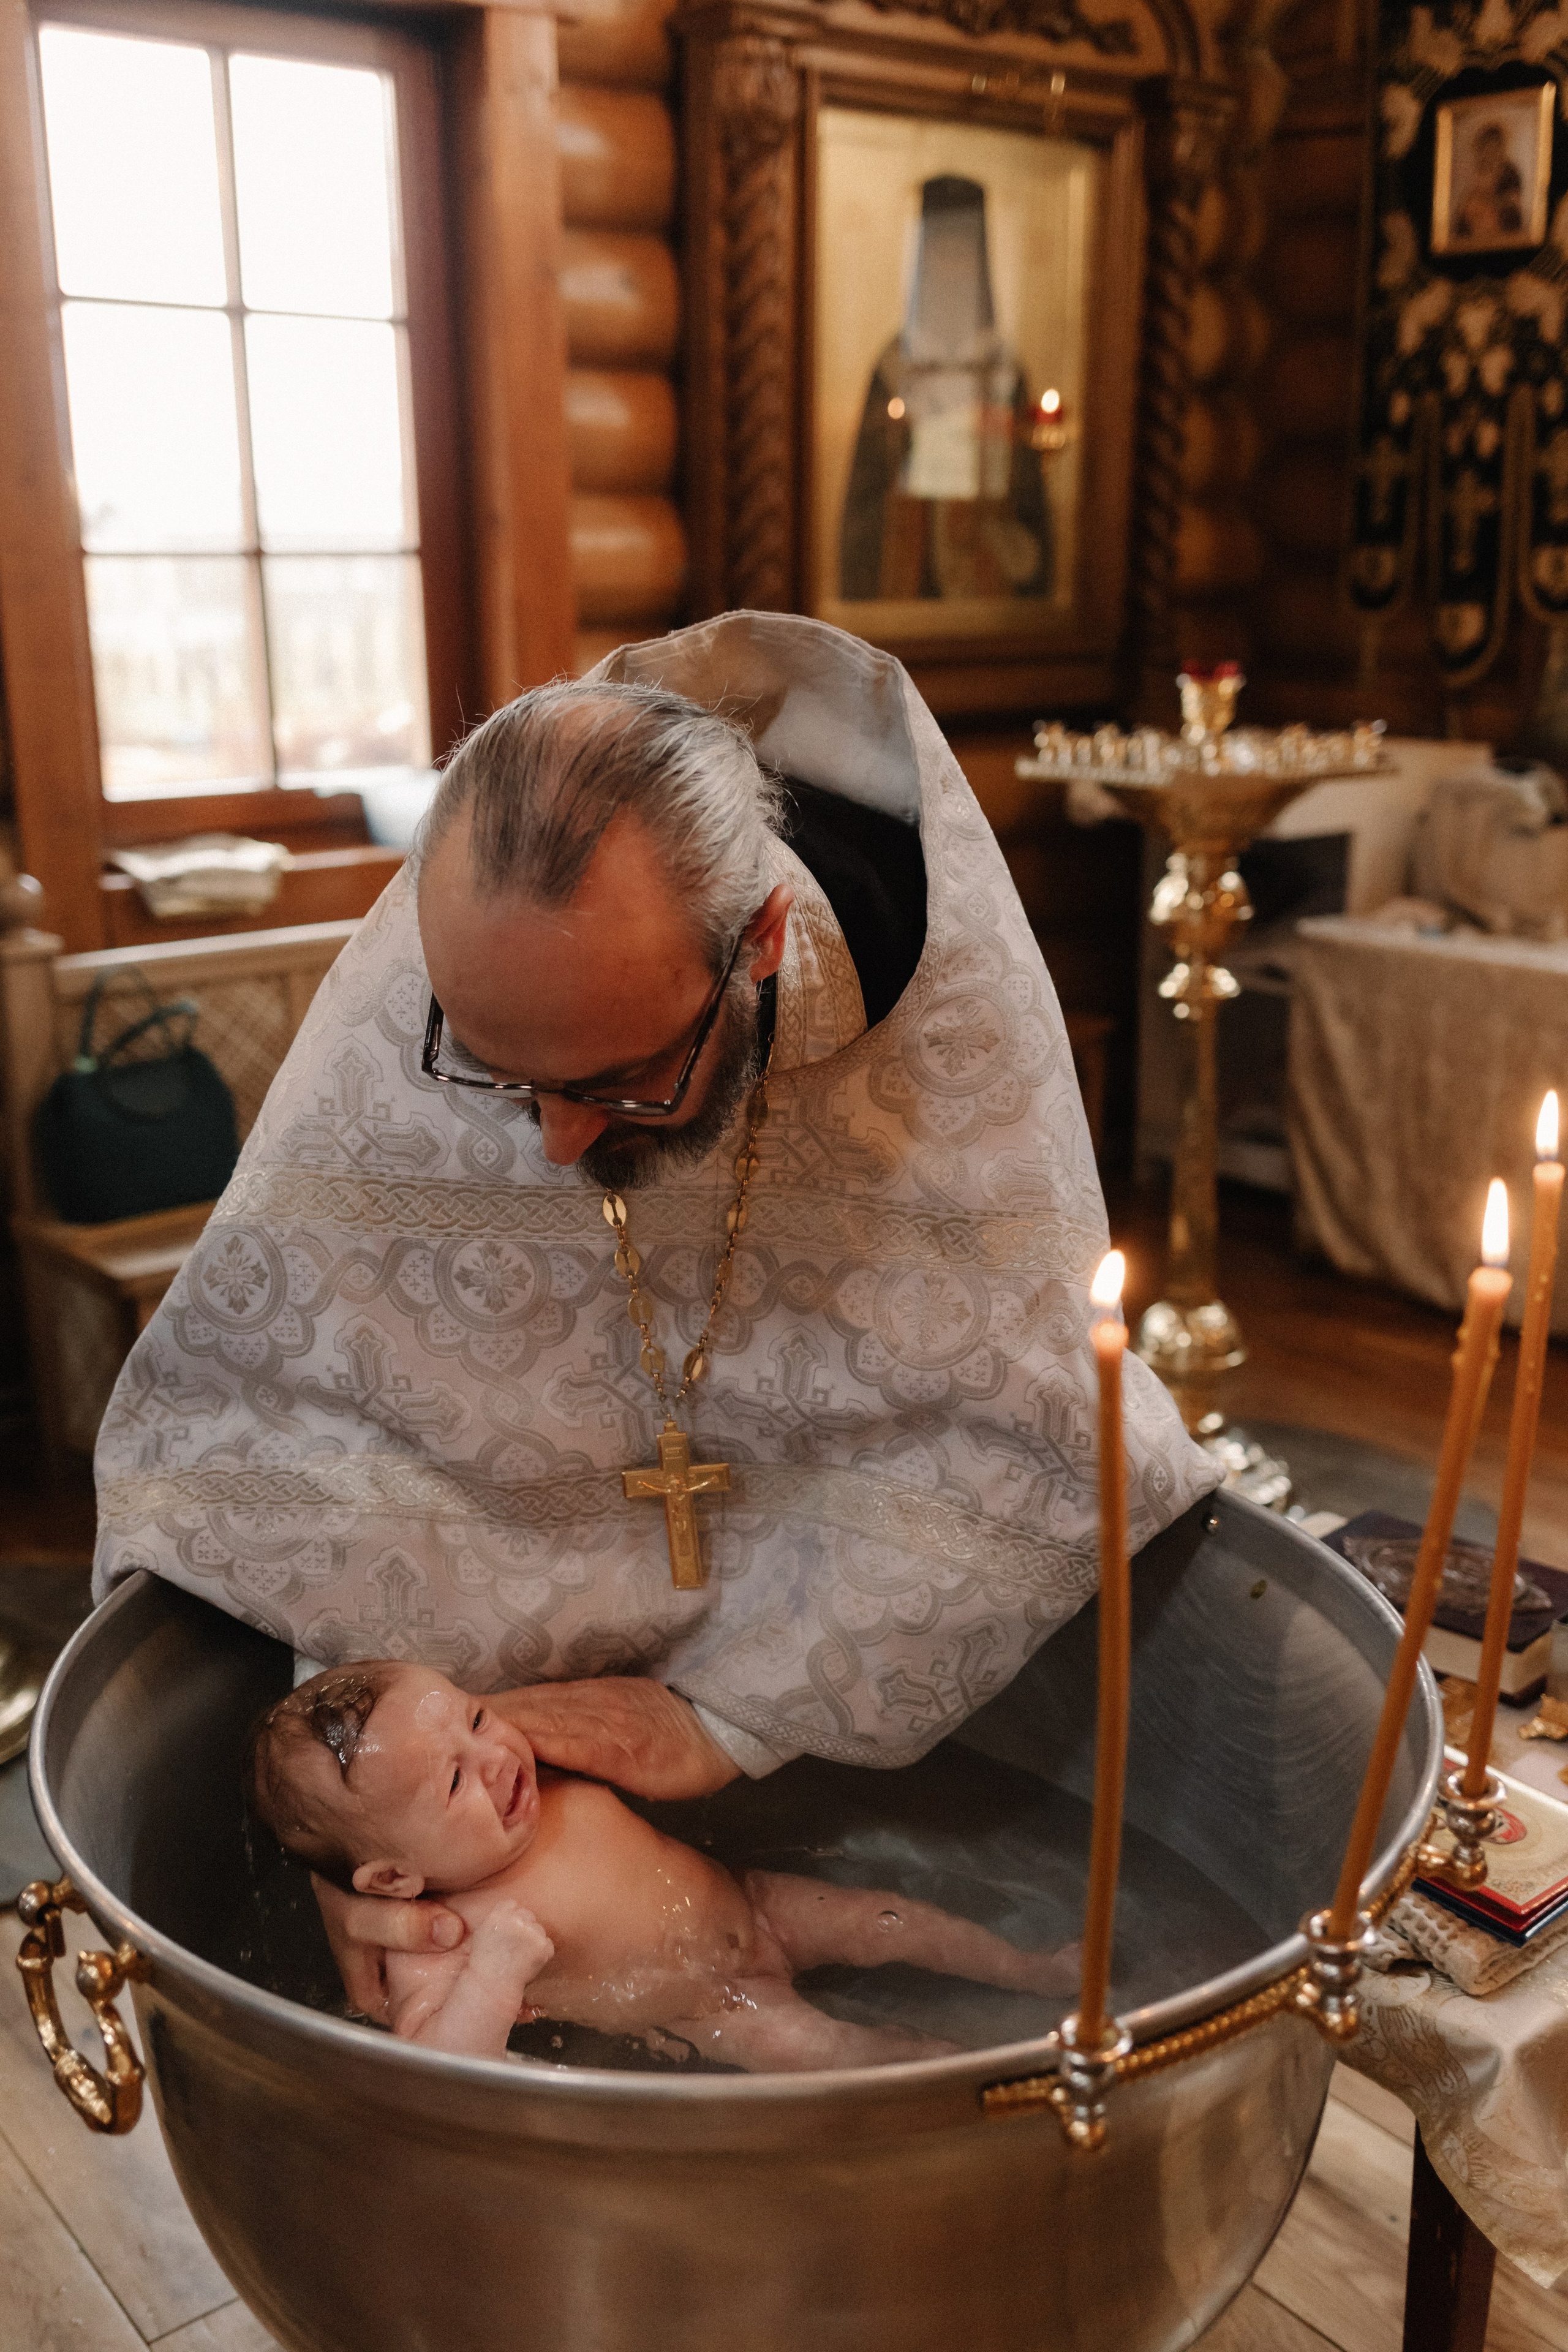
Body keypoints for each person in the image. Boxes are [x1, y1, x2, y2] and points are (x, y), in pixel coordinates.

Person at [95, 611, 1215, 2016]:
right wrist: (361, 1830)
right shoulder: (465, 958)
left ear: (757, 944)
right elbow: (283, 1415)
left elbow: (1035, 1438)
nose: (555, 1141)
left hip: (839, 1788)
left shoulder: (933, 1027)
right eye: (502, 1077)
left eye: (616, 1080)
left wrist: (735, 1714)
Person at [249, 1660, 1080, 2067]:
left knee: (889, 1920)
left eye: (474, 1716)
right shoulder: (438, 1939)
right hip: (714, 2006)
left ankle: (1027, 1968)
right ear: (391, 1879)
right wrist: (495, 1973)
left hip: (753, 1906)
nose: (497, 1753)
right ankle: (970, 2073)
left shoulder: (531, 1781)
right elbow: (436, 2069)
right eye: (456, 1777)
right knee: (834, 2057)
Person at [839, 175, 1052, 603]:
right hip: (908, 595)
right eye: (940, 253)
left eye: (962, 255)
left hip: (986, 603)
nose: (951, 269)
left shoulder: (1004, 372)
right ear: (922, 262)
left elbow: (1031, 508)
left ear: (981, 264)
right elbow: (862, 510)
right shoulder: (893, 369)